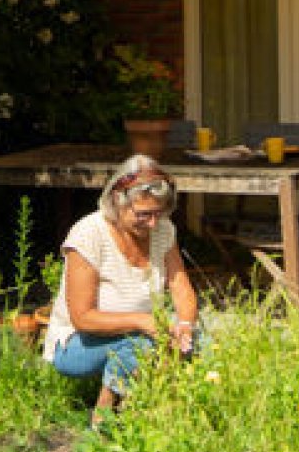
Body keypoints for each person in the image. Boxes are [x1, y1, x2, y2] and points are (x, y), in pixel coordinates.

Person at [41, 155, 201, 427]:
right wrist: (144, 322)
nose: (152, 223)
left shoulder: (163, 230)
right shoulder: (88, 233)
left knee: (199, 343)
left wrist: (185, 325)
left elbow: (180, 286)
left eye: (158, 213)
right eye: (143, 214)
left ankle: (152, 410)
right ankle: (105, 415)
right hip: (77, 343)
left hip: (142, 333)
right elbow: (83, 318)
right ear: (118, 200)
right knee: (140, 346)